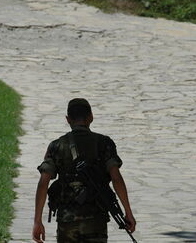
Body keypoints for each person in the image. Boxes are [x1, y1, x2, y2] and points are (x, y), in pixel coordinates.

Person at [32, 98, 136, 243]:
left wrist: (37, 221)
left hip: (67, 220)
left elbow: (43, 183)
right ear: (91, 117)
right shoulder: (104, 143)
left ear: (68, 119)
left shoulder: (56, 146)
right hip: (96, 219)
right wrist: (128, 212)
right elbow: (116, 177)